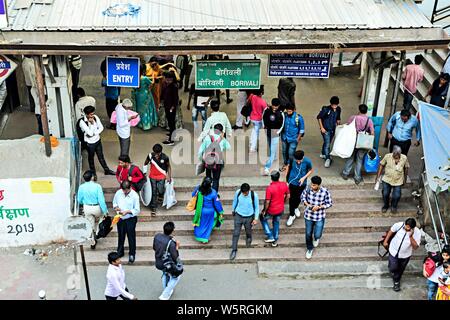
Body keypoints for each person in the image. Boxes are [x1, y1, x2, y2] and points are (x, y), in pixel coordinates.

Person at [383, 218, 421, 292]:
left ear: (412, 228)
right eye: (405, 226)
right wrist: (385, 241)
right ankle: (392, 269)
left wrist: (411, 236)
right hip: (393, 251)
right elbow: (391, 231)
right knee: (393, 267)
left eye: (408, 228)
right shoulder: (399, 225)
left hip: (405, 255)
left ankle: (396, 282)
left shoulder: (417, 232)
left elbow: (416, 247)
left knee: (400, 269)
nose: (406, 228)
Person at [341, 104, 375, 185]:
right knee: (359, 160)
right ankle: (357, 177)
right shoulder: (369, 120)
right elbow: (372, 132)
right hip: (363, 142)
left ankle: (345, 173)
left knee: (350, 157)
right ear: (366, 111)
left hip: (353, 141)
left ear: (359, 110)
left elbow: (348, 126)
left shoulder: (353, 117)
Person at [301, 176, 333, 259]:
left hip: (319, 216)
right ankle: (309, 248)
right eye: (311, 184)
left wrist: (319, 207)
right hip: (308, 215)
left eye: (314, 185)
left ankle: (316, 238)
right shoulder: (308, 189)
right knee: (308, 233)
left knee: (318, 234)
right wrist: (307, 204)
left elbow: (329, 203)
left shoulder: (325, 192)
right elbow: (302, 197)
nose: (312, 186)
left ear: (319, 185)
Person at [79, 106, 115, 176]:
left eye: (93, 113)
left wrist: (94, 133)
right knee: (91, 158)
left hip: (97, 140)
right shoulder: (82, 122)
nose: (93, 115)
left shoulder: (95, 117)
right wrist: (92, 124)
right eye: (91, 114)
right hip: (90, 143)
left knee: (101, 156)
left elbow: (101, 128)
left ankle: (106, 170)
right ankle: (93, 173)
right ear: (87, 114)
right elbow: (89, 133)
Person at [77, 170, 108, 249]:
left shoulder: (81, 187)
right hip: (96, 207)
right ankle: (97, 232)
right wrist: (105, 211)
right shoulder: (97, 186)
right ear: (92, 177)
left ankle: (92, 241)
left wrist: (83, 202)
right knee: (102, 217)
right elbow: (101, 200)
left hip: (87, 207)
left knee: (90, 224)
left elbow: (79, 200)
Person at [229, 183, 260, 261]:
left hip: (249, 217)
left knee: (248, 230)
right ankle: (234, 250)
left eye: (245, 193)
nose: (244, 194)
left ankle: (249, 237)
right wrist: (233, 210)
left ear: (248, 191)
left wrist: (255, 218)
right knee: (236, 233)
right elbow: (235, 202)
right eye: (243, 192)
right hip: (238, 215)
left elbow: (257, 208)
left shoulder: (254, 195)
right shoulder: (238, 192)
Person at [375, 146, 410, 213]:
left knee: (397, 195)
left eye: (397, 155)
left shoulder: (404, 158)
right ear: (393, 153)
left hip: (398, 180)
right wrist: (378, 176)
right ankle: (386, 205)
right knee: (385, 193)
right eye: (394, 154)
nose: (395, 156)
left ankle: (394, 206)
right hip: (387, 179)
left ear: (400, 154)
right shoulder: (387, 156)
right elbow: (381, 165)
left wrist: (404, 180)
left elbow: (406, 168)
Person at [198, 124, 231, 193]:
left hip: (208, 160)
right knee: (216, 179)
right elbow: (228, 147)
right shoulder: (222, 139)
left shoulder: (207, 138)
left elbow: (201, 150)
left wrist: (201, 159)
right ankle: (214, 194)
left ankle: (207, 191)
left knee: (208, 177)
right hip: (218, 162)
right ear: (221, 131)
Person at [113, 180, 140, 264]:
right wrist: (116, 208)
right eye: (123, 190)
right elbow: (114, 203)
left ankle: (132, 253)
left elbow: (137, 210)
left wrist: (127, 211)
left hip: (130, 219)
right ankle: (120, 251)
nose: (124, 192)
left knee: (131, 236)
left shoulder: (135, 195)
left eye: (126, 190)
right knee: (121, 235)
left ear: (130, 188)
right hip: (120, 218)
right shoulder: (118, 193)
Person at [153, 222, 182, 300]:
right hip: (166, 264)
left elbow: (154, 248)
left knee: (165, 274)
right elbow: (175, 256)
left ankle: (167, 290)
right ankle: (165, 294)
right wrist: (177, 247)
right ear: (172, 231)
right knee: (176, 277)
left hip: (158, 262)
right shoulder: (171, 243)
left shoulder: (157, 236)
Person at [260, 171, 290, 247]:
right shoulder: (284, 185)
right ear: (278, 177)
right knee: (276, 223)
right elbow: (288, 195)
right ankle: (275, 240)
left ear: (271, 178)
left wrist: (264, 210)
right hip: (280, 209)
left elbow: (267, 202)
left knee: (262, 218)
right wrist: (283, 202)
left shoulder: (270, 188)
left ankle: (270, 235)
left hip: (271, 210)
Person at [192, 177, 224, 243]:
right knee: (208, 225)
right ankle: (205, 238)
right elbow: (217, 203)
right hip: (210, 212)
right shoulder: (213, 192)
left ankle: (199, 236)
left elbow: (193, 195)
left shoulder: (199, 189)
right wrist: (221, 212)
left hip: (201, 211)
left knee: (201, 224)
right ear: (210, 184)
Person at [286, 150, 313, 227]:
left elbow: (310, 170)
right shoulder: (292, 159)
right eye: (296, 160)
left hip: (302, 183)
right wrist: (287, 180)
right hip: (292, 182)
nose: (298, 162)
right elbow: (288, 167)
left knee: (299, 198)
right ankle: (291, 215)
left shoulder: (307, 161)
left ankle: (296, 207)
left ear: (303, 157)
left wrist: (304, 178)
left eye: (299, 160)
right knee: (292, 199)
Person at [144, 144, 172, 216]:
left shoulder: (165, 157)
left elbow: (168, 166)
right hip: (152, 176)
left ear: (161, 152)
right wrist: (144, 173)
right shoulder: (150, 156)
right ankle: (153, 208)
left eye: (158, 154)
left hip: (162, 176)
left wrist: (169, 176)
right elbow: (145, 164)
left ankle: (161, 195)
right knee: (153, 191)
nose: (156, 155)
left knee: (161, 189)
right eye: (155, 153)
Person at [262, 98, 285, 175]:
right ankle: (274, 157)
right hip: (268, 132)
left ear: (279, 106)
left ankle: (267, 168)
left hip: (275, 134)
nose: (275, 108)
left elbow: (282, 124)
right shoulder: (267, 110)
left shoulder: (281, 113)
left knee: (272, 151)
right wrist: (264, 127)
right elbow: (263, 118)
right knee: (270, 146)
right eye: (273, 106)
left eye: (276, 106)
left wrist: (278, 132)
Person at [317, 96, 341, 168]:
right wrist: (322, 128)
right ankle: (327, 158)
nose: (334, 106)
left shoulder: (338, 109)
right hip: (326, 130)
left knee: (327, 142)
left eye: (336, 105)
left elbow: (338, 118)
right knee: (327, 144)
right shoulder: (326, 109)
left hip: (333, 129)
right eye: (333, 105)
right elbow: (319, 117)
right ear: (331, 104)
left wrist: (338, 124)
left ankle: (323, 153)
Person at [132, 64, 158, 131]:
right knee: (146, 109)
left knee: (139, 109)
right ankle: (146, 124)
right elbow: (152, 83)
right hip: (145, 94)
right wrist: (152, 76)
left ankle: (140, 123)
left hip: (138, 94)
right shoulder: (145, 78)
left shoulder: (135, 78)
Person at [280, 105, 305, 172]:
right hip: (284, 137)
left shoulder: (299, 118)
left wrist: (298, 138)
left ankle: (289, 164)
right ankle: (285, 164)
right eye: (287, 111)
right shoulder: (284, 116)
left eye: (290, 111)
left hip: (294, 139)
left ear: (294, 110)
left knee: (291, 153)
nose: (288, 112)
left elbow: (302, 130)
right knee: (284, 151)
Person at [161, 71, 179, 145]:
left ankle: (171, 140)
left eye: (169, 80)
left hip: (171, 108)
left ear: (172, 79)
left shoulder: (174, 87)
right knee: (170, 121)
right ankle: (173, 134)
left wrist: (173, 107)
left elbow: (176, 98)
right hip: (167, 106)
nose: (168, 81)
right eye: (167, 79)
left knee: (171, 122)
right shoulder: (166, 85)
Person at [249, 87, 268, 152]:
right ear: (261, 93)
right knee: (256, 132)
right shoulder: (263, 102)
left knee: (254, 130)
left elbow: (248, 101)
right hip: (258, 119)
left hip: (252, 117)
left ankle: (251, 142)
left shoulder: (252, 96)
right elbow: (266, 111)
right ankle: (252, 148)